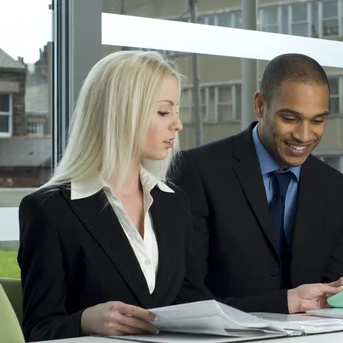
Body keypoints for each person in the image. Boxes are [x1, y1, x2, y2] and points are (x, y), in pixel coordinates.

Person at [17, 51, 214, 341]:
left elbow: (196, 306)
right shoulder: (49, 210)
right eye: (163, 111)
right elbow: (38, 330)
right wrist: (85, 321)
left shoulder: (173, 202)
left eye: (176, 110)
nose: (178, 124)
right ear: (122, 112)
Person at [170, 53, 343, 314]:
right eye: (290, 118)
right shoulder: (197, 171)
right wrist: (284, 303)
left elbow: (341, 292)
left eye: (317, 120)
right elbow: (187, 297)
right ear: (260, 105)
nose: (304, 135)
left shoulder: (336, 188)